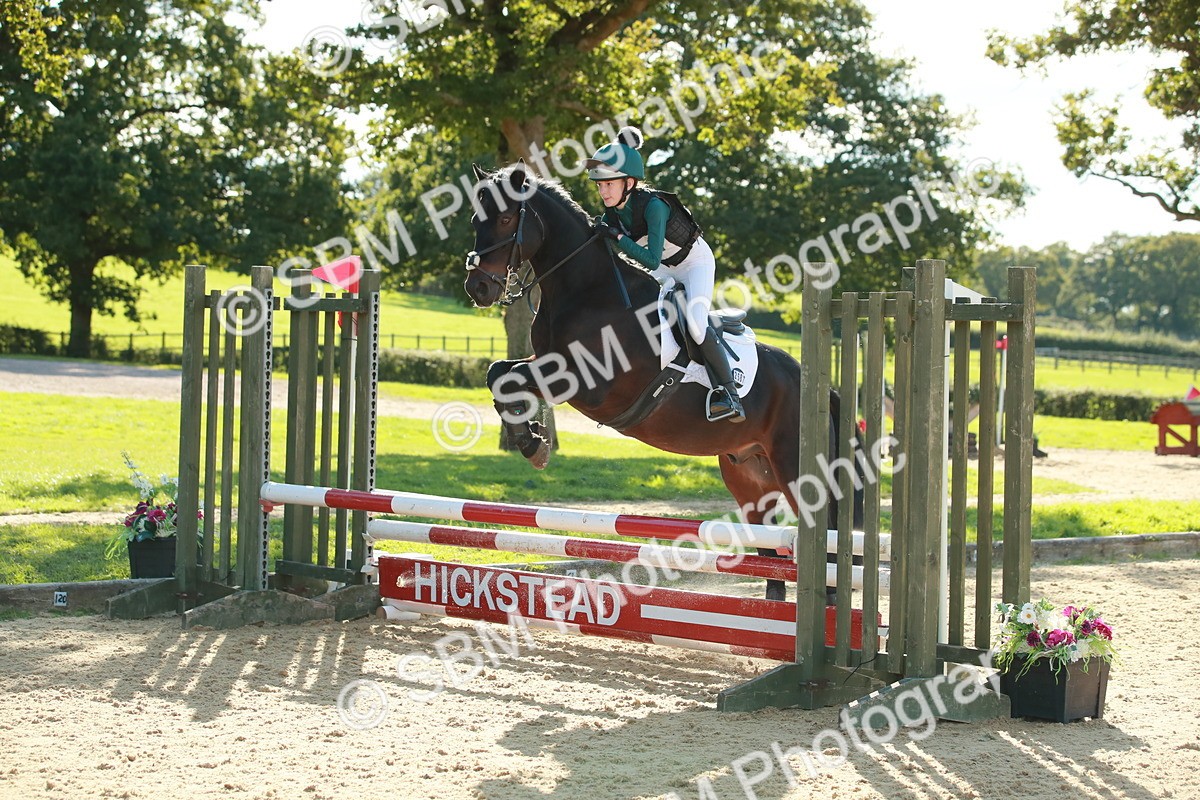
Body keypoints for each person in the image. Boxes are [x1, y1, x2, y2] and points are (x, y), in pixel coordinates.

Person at [585, 126, 746, 423]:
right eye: (600, 185)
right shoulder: (613, 212)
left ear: (629, 182)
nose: (603, 191)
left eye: (609, 184)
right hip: (664, 270)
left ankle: (730, 395)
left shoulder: (654, 207)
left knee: (696, 327)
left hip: (693, 264)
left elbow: (650, 257)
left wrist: (617, 239)